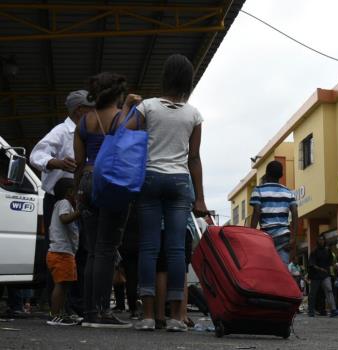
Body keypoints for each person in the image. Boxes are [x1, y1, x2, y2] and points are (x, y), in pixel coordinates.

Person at [130, 53, 208, 332]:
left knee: (149, 248)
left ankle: (149, 315)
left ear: (165, 77)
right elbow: (194, 158)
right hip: (179, 181)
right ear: (187, 81)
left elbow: (127, 140)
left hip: (149, 179)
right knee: (176, 250)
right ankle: (177, 317)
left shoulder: (146, 108)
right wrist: (199, 197)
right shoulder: (193, 114)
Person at [74, 72, 133, 328]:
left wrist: (77, 192)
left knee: (91, 250)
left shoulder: (84, 121)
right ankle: (102, 312)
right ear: (118, 94)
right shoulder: (123, 118)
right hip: (111, 183)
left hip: (87, 180)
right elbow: (130, 151)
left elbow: (78, 163)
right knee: (107, 249)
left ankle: (89, 312)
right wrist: (130, 107)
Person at [30, 90, 94, 307]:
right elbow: (36, 155)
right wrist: (56, 163)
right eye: (90, 107)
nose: (94, 111)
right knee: (58, 250)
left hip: (80, 199)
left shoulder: (89, 131)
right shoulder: (61, 131)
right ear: (79, 110)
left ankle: (78, 303)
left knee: (83, 249)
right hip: (58, 201)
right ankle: (55, 304)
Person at [46, 178, 80, 326]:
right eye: (76, 191)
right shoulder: (64, 203)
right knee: (60, 284)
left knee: (65, 285)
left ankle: (61, 312)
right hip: (61, 252)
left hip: (64, 252)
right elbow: (65, 219)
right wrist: (80, 211)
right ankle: (55, 315)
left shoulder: (61, 204)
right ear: (69, 192)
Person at [250, 160, 298, 265]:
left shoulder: (258, 190)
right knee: (282, 270)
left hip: (266, 238)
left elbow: (256, 213)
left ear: (266, 174)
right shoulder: (289, 192)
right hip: (284, 237)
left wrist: (251, 234)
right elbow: (295, 213)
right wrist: (293, 238)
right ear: (281, 175)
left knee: (265, 269)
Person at [307, 235, 338, 317]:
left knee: (329, 290)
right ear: (317, 241)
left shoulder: (328, 250)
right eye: (319, 239)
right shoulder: (314, 251)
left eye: (322, 239)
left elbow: (330, 261)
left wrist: (334, 264)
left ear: (325, 240)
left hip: (325, 275)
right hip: (315, 276)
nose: (321, 241)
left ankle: (333, 310)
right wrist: (320, 269)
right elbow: (312, 264)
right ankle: (311, 310)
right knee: (313, 293)